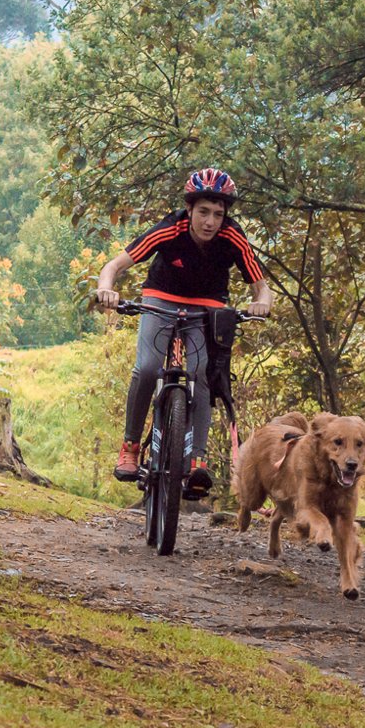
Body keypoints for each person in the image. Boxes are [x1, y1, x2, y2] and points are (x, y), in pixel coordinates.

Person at [96, 168, 273, 498]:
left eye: (218, 215)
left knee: (202, 373)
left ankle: (197, 460)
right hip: (161, 299)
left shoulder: (233, 237)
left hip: (208, 307)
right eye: (203, 212)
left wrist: (260, 303)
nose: (210, 222)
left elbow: (263, 288)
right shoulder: (169, 228)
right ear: (189, 210)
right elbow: (114, 266)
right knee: (147, 367)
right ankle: (131, 446)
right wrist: (106, 289)